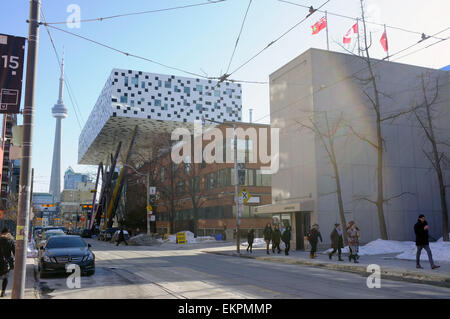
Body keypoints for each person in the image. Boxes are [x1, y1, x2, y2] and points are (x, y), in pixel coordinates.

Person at [0, 227, 15, 297]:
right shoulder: (11, 241)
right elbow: (15, 252)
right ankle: (3, 292)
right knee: (5, 277)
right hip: (7, 263)